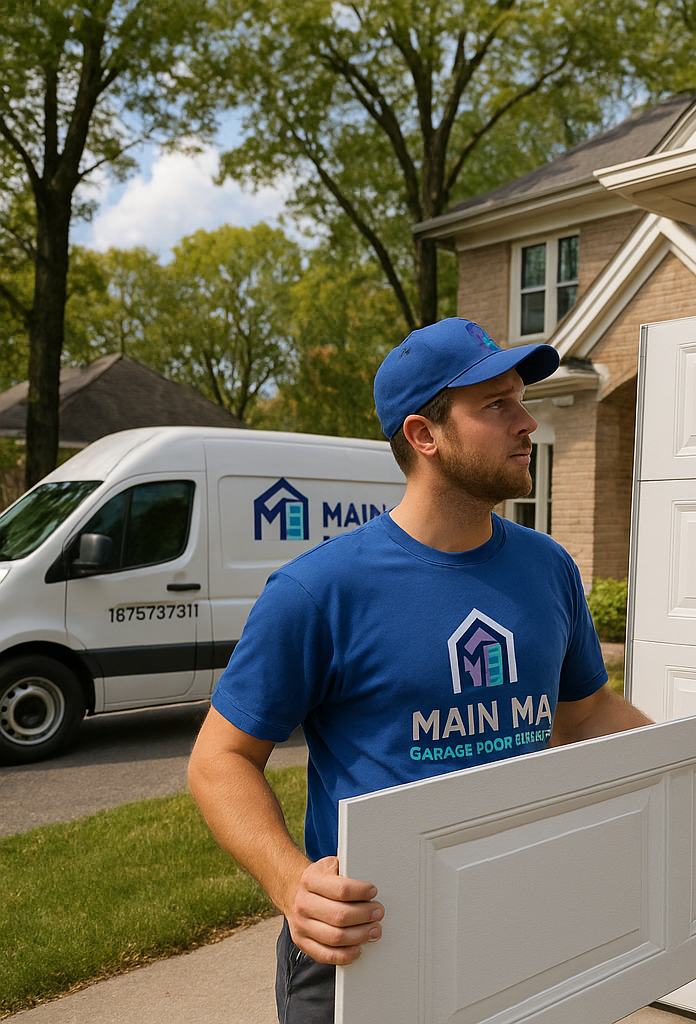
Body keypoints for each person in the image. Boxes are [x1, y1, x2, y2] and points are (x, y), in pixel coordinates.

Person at [188, 317, 651, 1024]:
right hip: (367, 940)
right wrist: (292, 884)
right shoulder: (319, 591)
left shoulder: (548, 567)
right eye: (496, 405)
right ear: (423, 434)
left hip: (518, 916)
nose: (527, 423)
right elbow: (219, 759)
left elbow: (585, 713)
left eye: (521, 400)